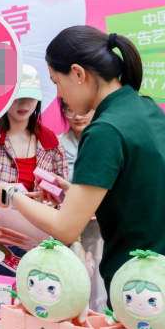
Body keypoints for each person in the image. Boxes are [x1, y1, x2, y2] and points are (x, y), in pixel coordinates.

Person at [0, 26, 165, 328]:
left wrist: (11, 196)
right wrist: (73, 192)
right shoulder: (144, 107)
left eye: (57, 82)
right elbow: (139, 191)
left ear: (78, 74)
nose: (60, 94)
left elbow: (65, 228)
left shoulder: (104, 130)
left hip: (147, 297)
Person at [0, 64, 68, 272]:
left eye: (30, 97)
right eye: (17, 97)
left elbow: (63, 195)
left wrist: (54, 204)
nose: (24, 103)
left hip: (41, 240)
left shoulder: (52, 144)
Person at [57, 98, 107, 313]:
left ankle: (99, 317)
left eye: (83, 111)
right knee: (69, 278)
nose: (77, 116)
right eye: (70, 110)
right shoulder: (56, 144)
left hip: (100, 226)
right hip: (66, 225)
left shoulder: (107, 143)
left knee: (99, 278)